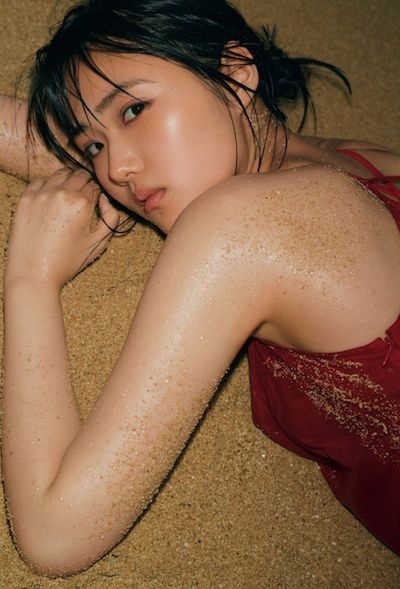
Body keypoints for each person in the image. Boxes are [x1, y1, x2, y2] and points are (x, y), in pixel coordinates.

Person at [1, 0, 400, 578]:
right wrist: (113, 129)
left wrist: (30, 278)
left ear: (237, 73)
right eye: (94, 145)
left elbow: (53, 534)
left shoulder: (244, 226)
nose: (117, 169)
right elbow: (79, 162)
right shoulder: (358, 162)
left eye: (134, 109)